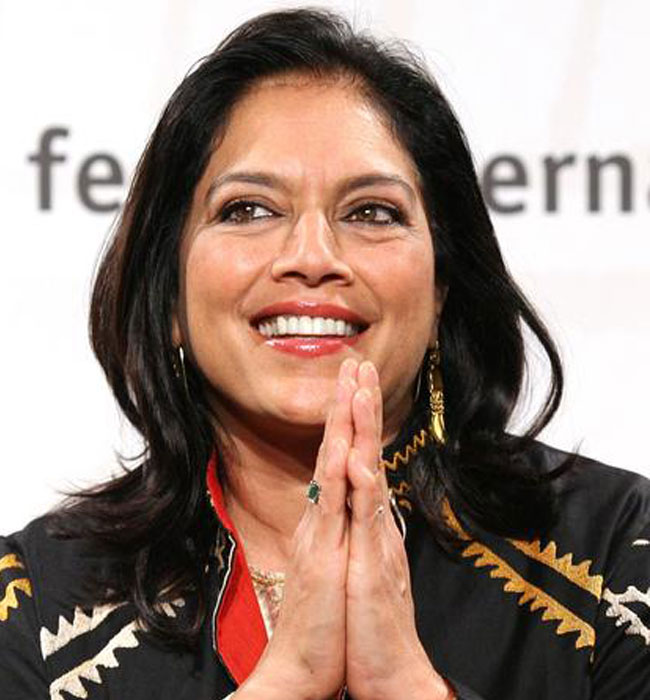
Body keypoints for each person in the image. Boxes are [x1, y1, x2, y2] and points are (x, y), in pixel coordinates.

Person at [1, 8, 649, 699]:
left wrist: (404, 685)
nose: (312, 257)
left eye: (372, 212)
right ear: (170, 302)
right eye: (248, 209)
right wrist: (287, 683)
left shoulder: (615, 555)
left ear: (440, 292)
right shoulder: (36, 605)